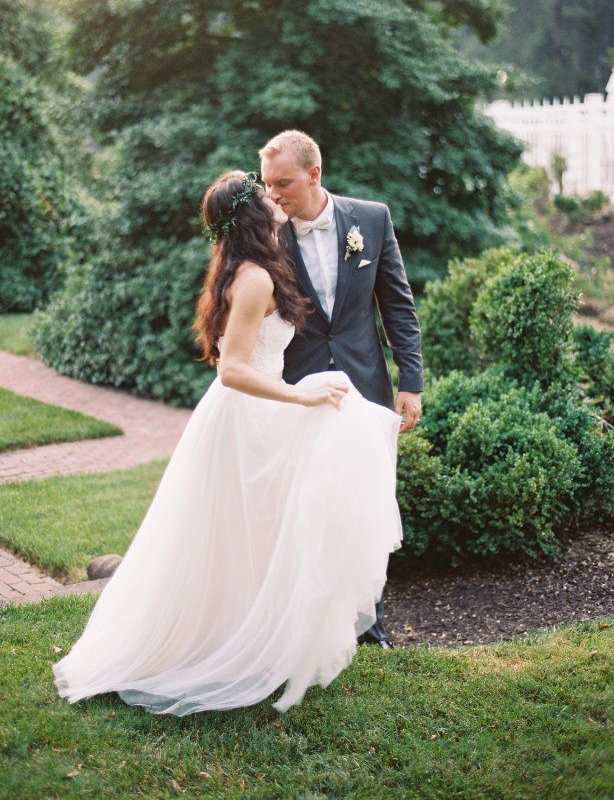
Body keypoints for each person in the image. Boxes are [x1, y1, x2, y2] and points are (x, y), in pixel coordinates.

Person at [52, 170, 404, 716]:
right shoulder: (255, 278)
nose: (274, 195)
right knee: (238, 533)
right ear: (253, 213)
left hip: (258, 413)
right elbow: (233, 370)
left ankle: (256, 637)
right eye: (264, 192)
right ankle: (221, 647)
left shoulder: (249, 268)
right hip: (246, 417)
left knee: (252, 536)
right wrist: (301, 396)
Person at [260, 131, 423, 650]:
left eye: (282, 183)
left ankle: (370, 626)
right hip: (298, 388)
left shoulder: (371, 220)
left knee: (365, 504)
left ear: (315, 174)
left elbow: (397, 304)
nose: (272, 195)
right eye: (267, 184)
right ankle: (306, 623)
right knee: (304, 506)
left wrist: (410, 381)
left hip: (365, 386)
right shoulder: (266, 233)